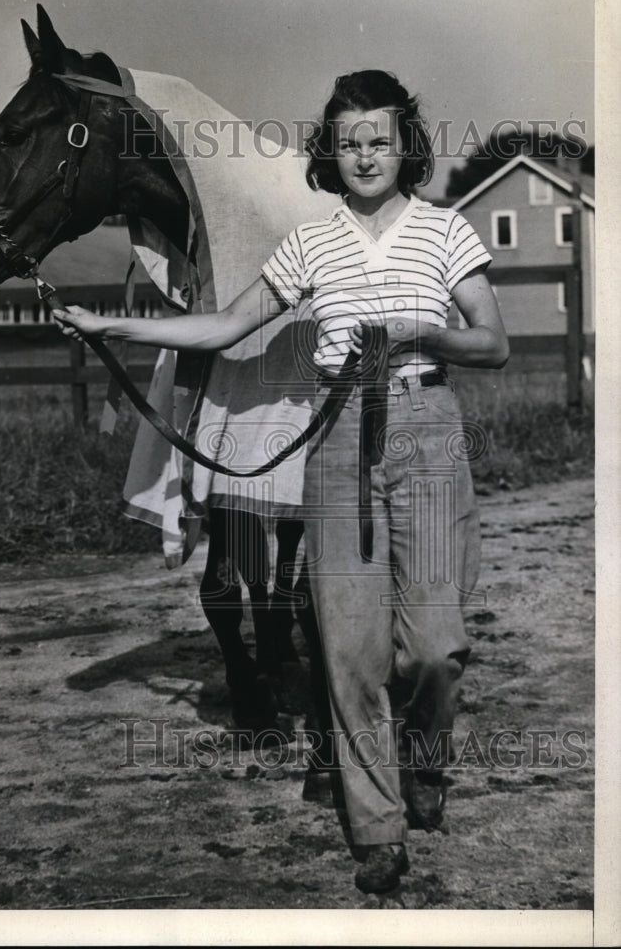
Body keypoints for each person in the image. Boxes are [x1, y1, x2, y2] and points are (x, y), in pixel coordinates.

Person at [53, 69, 509, 895]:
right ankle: (377, 830)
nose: (365, 155)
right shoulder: (311, 243)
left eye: (380, 138)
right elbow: (228, 325)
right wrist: (110, 323)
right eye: (348, 142)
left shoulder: (446, 231)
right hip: (335, 443)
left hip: (426, 433)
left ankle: (426, 759)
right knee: (350, 650)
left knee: (435, 650)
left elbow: (494, 343)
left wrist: (419, 330)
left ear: (406, 144)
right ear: (328, 155)